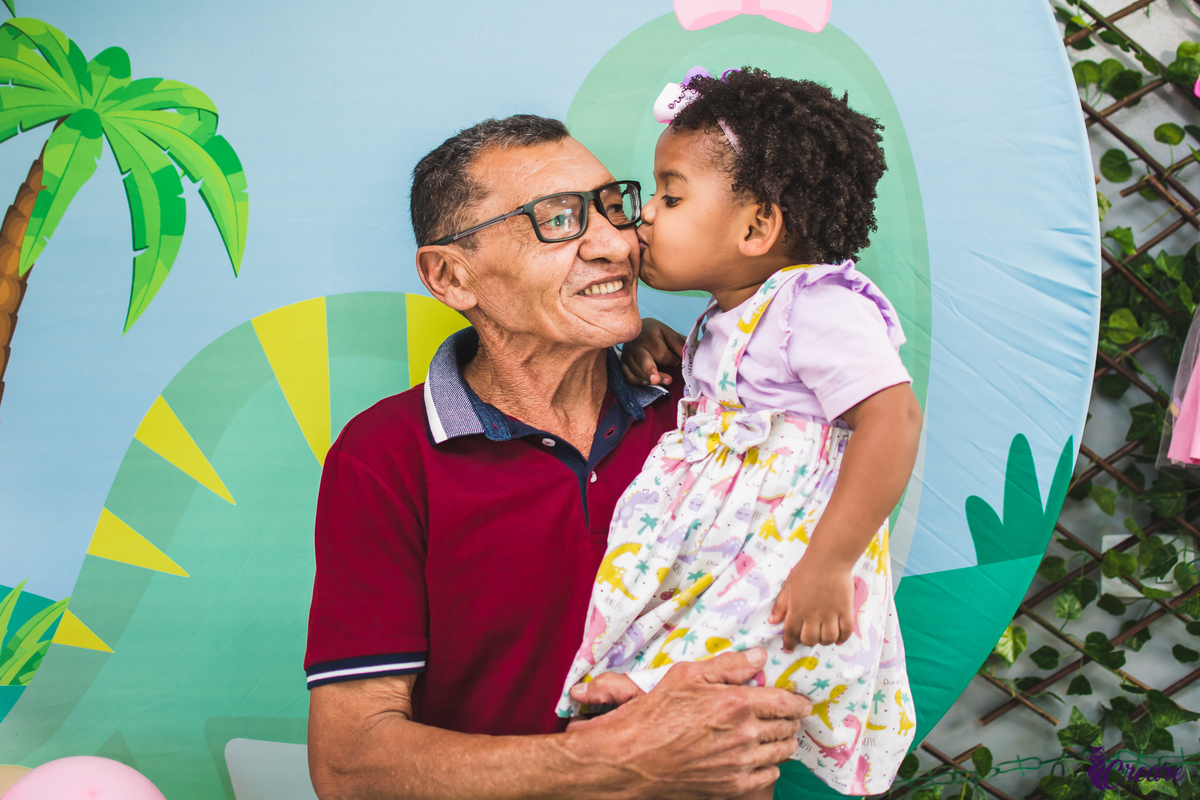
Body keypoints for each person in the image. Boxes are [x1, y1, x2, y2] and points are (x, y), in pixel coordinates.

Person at [303, 113, 812, 800]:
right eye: (559, 221)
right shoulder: (385, 456)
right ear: (452, 276)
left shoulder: (708, 408)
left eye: (613, 206)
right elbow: (350, 767)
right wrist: (609, 760)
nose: (615, 244)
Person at [558, 68, 924, 798]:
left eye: (670, 195)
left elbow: (893, 418)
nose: (645, 218)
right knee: (666, 717)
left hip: (779, 565)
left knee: (701, 713)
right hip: (720, 561)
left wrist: (829, 564)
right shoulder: (727, 317)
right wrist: (655, 344)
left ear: (757, 226)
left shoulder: (815, 304)